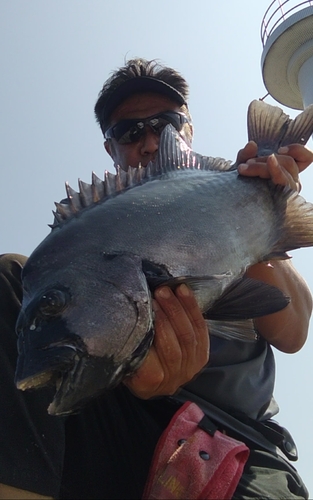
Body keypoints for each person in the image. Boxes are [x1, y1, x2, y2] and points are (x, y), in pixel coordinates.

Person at [0, 58, 312, 500]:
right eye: (130, 131)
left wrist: (264, 203)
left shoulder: (235, 182)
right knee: (10, 276)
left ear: (188, 128)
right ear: (111, 149)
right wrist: (125, 369)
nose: (149, 141)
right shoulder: (87, 240)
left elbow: (294, 331)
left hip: (233, 435)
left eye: (165, 122)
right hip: (112, 413)